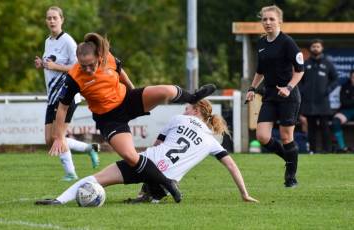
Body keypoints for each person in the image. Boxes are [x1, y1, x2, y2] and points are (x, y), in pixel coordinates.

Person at [47, 32, 217, 202]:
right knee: (131, 156)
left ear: (99, 56)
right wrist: (59, 137)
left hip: (127, 100)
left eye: (91, 65)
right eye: (83, 66)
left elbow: (121, 73)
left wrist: (134, 90)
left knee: (166, 91)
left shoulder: (109, 58)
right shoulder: (73, 78)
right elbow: (62, 108)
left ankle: (193, 97)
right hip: (109, 118)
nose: (88, 70)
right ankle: (167, 184)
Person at [35, 99, 258, 205]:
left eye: (188, 107)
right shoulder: (212, 141)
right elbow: (232, 165)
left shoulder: (179, 119)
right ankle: (151, 194)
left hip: (144, 164)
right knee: (158, 184)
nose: (184, 110)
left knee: (95, 179)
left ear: (196, 110)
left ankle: (59, 201)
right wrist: (244, 194)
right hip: (166, 180)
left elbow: (155, 145)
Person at [34, 6, 100, 181]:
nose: (52, 21)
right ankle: (88, 149)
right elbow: (52, 63)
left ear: (62, 20)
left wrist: (55, 67)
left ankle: (70, 173)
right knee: (49, 140)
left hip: (66, 95)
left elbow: (80, 66)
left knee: (58, 136)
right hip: (52, 96)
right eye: (49, 18)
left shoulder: (69, 41)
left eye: (55, 17)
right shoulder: (48, 41)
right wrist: (43, 64)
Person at [245, 5, 304, 187]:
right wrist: (252, 88)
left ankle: (290, 176)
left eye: (271, 19)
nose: (267, 22)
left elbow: (300, 70)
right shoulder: (262, 43)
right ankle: (290, 158)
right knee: (262, 136)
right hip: (270, 95)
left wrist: (288, 87)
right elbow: (260, 71)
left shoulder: (288, 42)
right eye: (264, 19)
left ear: (279, 21)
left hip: (288, 95)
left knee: (287, 137)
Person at [299, 39, 339, 153]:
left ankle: (327, 150)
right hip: (309, 102)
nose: (315, 48)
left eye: (318, 46)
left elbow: (336, 79)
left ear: (322, 48)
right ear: (310, 49)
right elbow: (299, 79)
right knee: (311, 128)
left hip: (323, 102)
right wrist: (303, 90)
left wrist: (328, 89)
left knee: (325, 127)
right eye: (313, 46)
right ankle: (312, 150)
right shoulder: (306, 64)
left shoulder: (328, 64)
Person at [332, 70, 354, 152]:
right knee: (335, 121)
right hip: (346, 111)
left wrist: (352, 101)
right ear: (350, 78)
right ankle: (342, 147)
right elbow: (344, 102)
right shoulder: (345, 86)